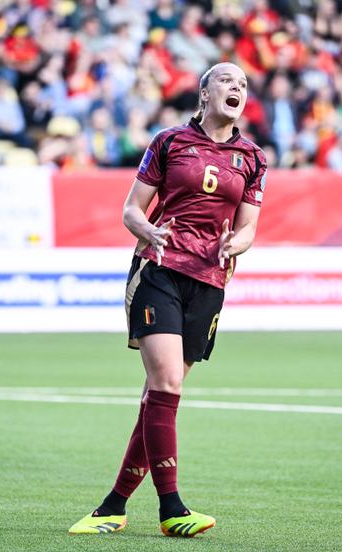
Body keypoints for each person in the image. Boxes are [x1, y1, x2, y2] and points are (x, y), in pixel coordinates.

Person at [68, 62, 267, 538]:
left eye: (242, 84)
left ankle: (112, 506)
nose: (236, 88)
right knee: (168, 382)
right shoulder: (170, 142)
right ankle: (171, 509)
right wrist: (148, 230)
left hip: (210, 280)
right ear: (204, 93)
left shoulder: (253, 157)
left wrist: (235, 246)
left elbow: (248, 228)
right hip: (159, 268)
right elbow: (131, 209)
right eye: (226, 81)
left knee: (159, 396)